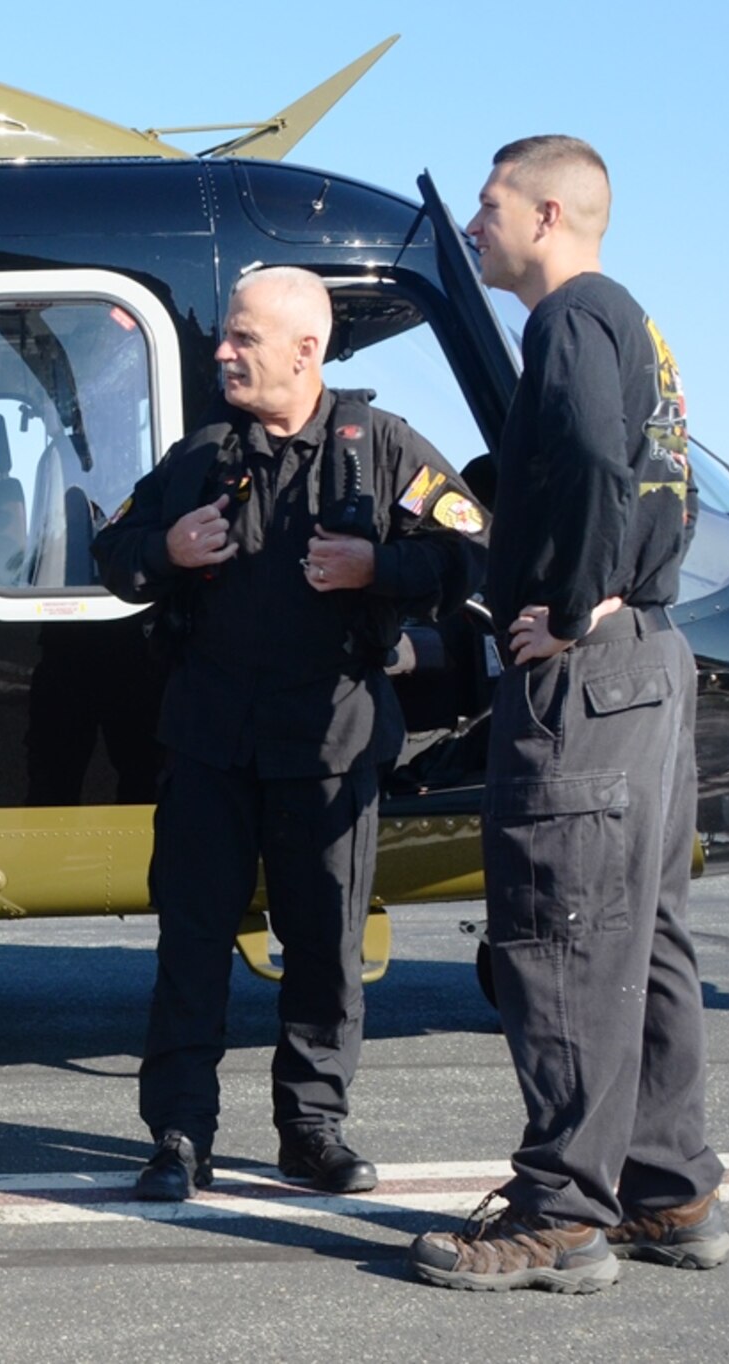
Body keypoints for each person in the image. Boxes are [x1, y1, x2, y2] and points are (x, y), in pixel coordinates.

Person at [408, 136, 729, 1293]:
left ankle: (557, 1215)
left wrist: (573, 605)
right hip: (651, 662)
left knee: (558, 938)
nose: (477, 222)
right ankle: (667, 1187)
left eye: (488, 204)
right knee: (641, 939)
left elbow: (594, 458)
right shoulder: (633, 323)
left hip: (590, 671)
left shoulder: (568, 319)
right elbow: (657, 477)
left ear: (546, 213)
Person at [94, 267, 485, 1200]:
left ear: (306, 351)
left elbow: (474, 551)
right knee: (189, 946)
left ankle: (311, 1132)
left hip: (330, 745)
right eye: (226, 337)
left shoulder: (381, 448)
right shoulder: (200, 457)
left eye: (244, 339)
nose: (222, 352)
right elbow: (113, 553)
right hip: (211, 745)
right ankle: (180, 1135)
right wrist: (166, 552)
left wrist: (376, 567)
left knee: (325, 947)